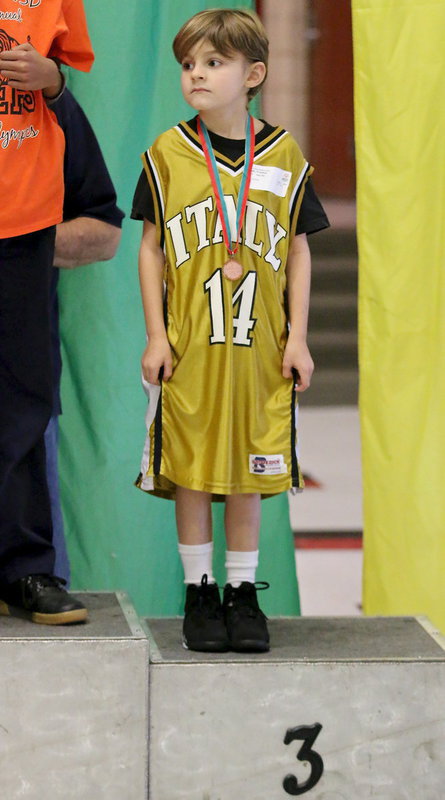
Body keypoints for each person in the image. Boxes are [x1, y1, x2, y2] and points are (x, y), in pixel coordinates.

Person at [132, 9, 328, 652]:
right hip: (191, 349)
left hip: (258, 352)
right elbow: (152, 248)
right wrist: (157, 335)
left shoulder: (285, 153)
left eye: (214, 63)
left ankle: (243, 594)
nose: (197, 75)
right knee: (192, 469)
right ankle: (199, 591)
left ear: (254, 74)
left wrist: (297, 336)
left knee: (248, 472)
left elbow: (298, 248)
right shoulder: (166, 153)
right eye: (189, 64)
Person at [0, 1, 93, 625]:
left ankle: (27, 571)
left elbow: (63, 78)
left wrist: (49, 80)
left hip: (24, 221)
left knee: (24, 398)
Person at [46, 88, 124, 584]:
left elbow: (106, 232)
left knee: (37, 582)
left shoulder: (51, 109)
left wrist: (21, 241)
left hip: (20, 370)